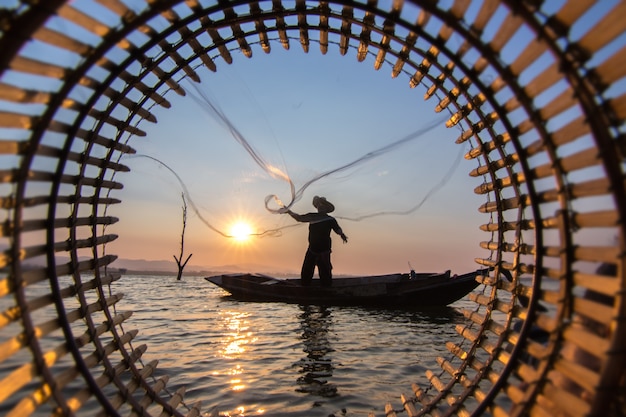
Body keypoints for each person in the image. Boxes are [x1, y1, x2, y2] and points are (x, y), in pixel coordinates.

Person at [285, 196, 348, 287]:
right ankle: (305, 290)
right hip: (312, 249)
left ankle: (327, 291)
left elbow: (338, 230)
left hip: (324, 250)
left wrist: (342, 235)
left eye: (323, 205)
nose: (320, 206)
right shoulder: (312, 216)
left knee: (325, 273)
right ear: (317, 207)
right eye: (319, 205)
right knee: (306, 272)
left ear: (326, 208)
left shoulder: (330, 220)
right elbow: (299, 218)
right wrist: (289, 212)